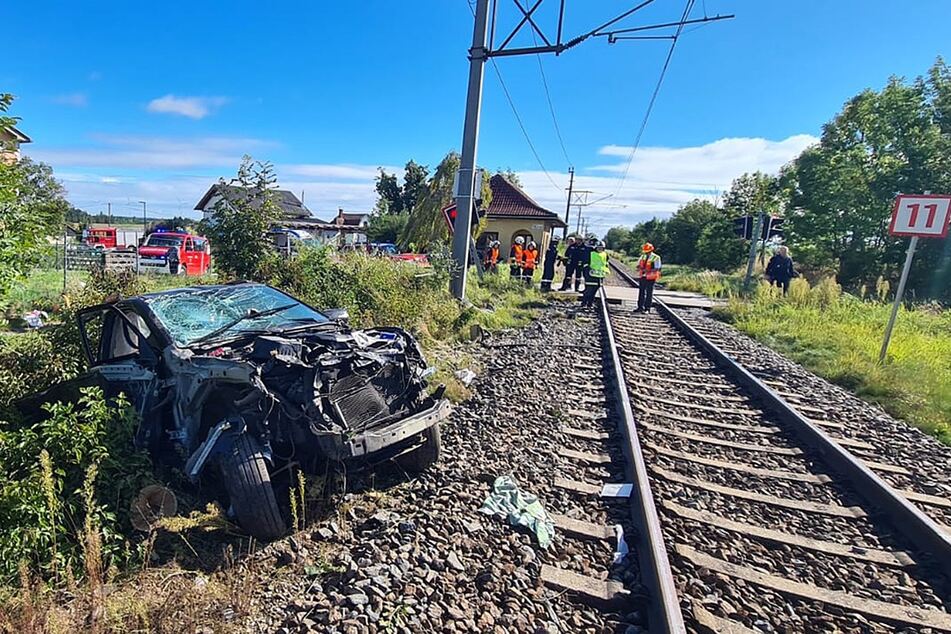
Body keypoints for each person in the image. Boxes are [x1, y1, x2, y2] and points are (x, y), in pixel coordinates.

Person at [635, 242, 662, 312]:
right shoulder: (642, 256)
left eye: (648, 252)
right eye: (646, 252)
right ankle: (640, 307)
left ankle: (647, 308)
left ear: (651, 250)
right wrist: (639, 268)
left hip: (651, 277)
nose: (646, 253)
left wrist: (648, 270)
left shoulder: (656, 257)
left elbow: (657, 268)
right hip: (643, 276)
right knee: (641, 292)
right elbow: (638, 265)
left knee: (649, 293)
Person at [581, 241, 608, 308]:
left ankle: (590, 304)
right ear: (596, 247)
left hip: (599, 276)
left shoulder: (605, 254)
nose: (600, 249)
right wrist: (587, 271)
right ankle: (584, 303)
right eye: (599, 248)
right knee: (588, 291)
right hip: (591, 275)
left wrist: (606, 270)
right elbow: (586, 263)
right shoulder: (591, 253)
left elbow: (605, 263)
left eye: (602, 248)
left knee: (594, 292)